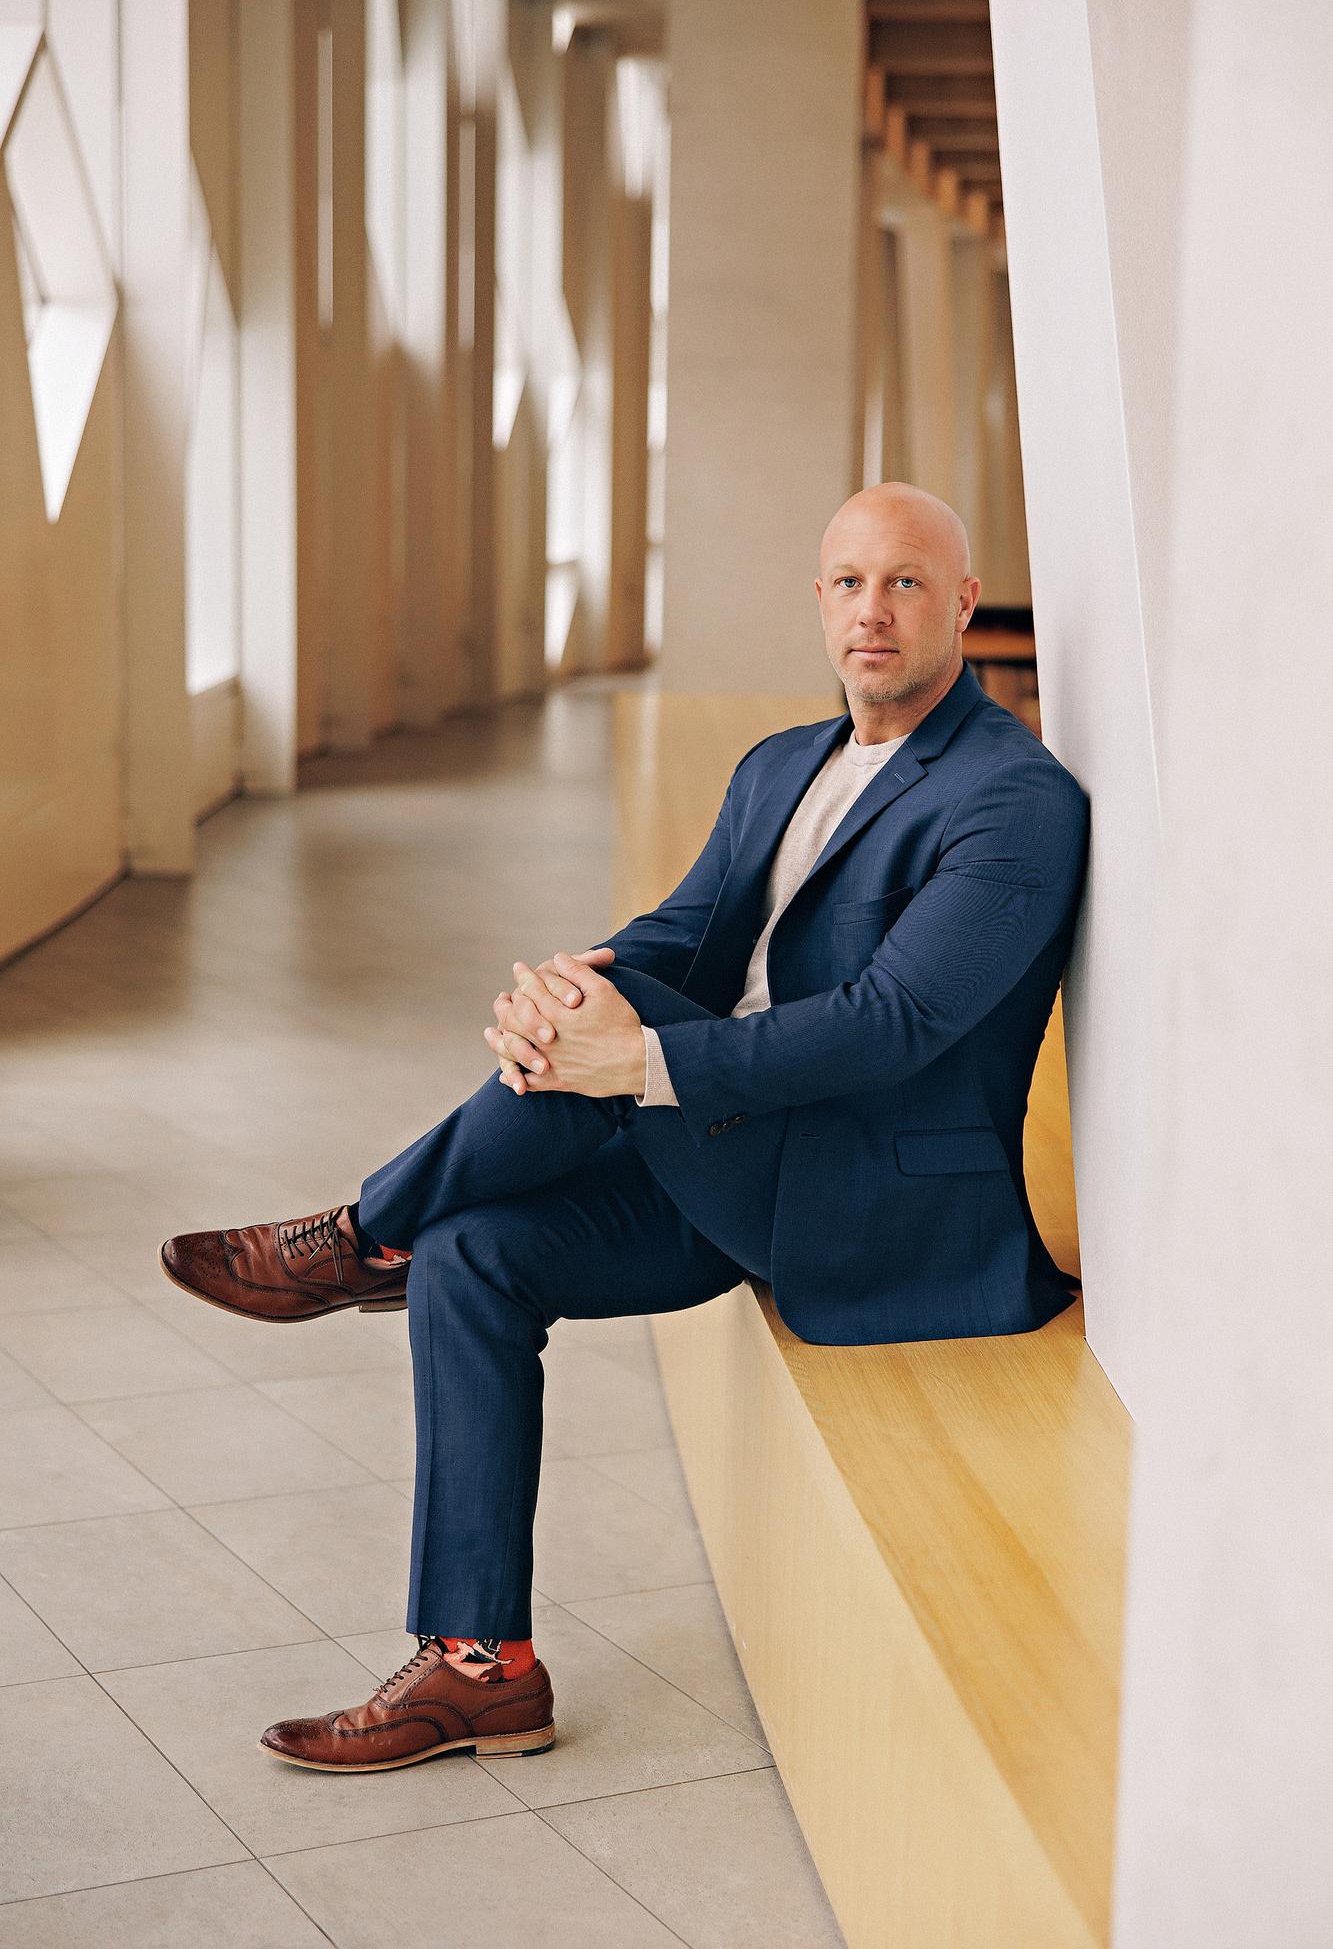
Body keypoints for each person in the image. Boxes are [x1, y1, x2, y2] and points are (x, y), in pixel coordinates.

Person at [159, 481, 1091, 1773]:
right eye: (845, 582)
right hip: (731, 1159)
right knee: (478, 1256)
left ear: (962, 605)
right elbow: (680, 935)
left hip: (866, 1198)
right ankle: (482, 1667)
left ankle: (361, 1235)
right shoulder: (783, 764)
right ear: (817, 600)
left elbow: (891, 1023)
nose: (869, 612)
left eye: (903, 583)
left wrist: (635, 1048)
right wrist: (560, 988)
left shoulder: (1013, 798)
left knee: (619, 1030)